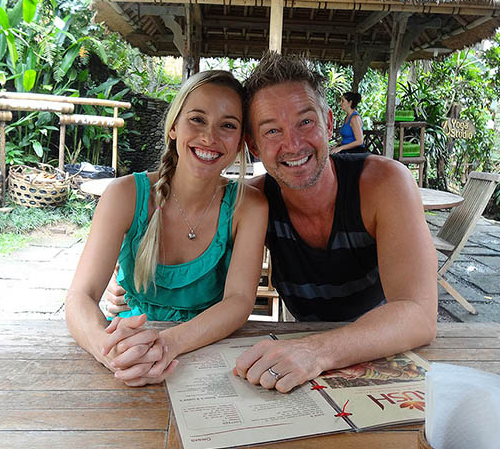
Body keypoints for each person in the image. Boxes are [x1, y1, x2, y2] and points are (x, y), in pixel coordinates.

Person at [104, 53, 438, 394]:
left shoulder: (383, 184)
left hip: (383, 347)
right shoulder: (254, 203)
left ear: (328, 122)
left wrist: (315, 351)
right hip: (300, 359)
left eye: (305, 122)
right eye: (272, 130)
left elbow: (419, 314)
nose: (293, 144)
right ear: (253, 145)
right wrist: (137, 277)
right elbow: (204, 245)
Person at [65, 70, 268, 387]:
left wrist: (166, 344)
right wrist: (108, 349)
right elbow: (80, 296)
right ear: (174, 126)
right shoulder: (124, 196)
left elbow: (239, 301)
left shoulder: (249, 207)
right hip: (130, 350)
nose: (209, 137)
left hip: (208, 350)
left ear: (241, 140)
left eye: (227, 125)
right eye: (197, 119)